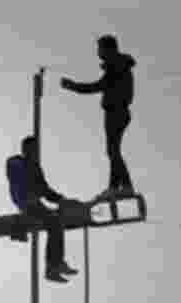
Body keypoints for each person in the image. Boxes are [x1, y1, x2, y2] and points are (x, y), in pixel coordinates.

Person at [61, 35, 137, 200]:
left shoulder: (116, 67)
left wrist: (72, 86)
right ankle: (115, 187)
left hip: (115, 112)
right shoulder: (119, 65)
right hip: (118, 112)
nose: (98, 52)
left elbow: (96, 87)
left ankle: (126, 186)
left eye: (100, 48)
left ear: (108, 49)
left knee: (113, 151)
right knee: (113, 151)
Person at [7, 135, 80, 283]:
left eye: (36, 149)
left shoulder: (34, 167)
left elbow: (45, 190)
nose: (35, 152)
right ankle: (52, 267)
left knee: (56, 223)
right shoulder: (16, 162)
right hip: (26, 202)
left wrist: (62, 200)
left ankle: (56, 263)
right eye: (32, 149)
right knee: (53, 223)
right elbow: (19, 177)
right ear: (26, 149)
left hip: (34, 203)